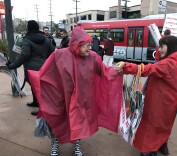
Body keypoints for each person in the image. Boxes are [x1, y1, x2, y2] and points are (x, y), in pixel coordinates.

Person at [27, 26, 123, 156]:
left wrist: (119, 69)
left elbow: (105, 71)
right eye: (85, 45)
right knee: (59, 120)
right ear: (76, 44)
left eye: (90, 44)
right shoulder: (59, 54)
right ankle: (55, 142)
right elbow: (46, 72)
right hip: (61, 97)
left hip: (82, 99)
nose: (89, 47)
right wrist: (38, 80)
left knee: (78, 122)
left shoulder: (93, 57)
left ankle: (77, 143)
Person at [115, 35, 177, 156]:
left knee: (149, 127)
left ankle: (147, 150)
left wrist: (126, 66)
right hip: (171, 102)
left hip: (159, 102)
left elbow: (147, 69)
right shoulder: (176, 61)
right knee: (163, 127)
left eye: (162, 46)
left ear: (170, 47)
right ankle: (160, 146)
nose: (159, 49)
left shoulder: (168, 63)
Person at [6, 20, 55, 116]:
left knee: (37, 87)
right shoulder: (45, 39)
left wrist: (12, 66)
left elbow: (24, 55)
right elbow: (53, 51)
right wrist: (45, 60)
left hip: (31, 68)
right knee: (39, 87)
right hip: (44, 67)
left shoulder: (27, 39)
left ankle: (42, 110)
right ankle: (35, 102)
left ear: (28, 28)